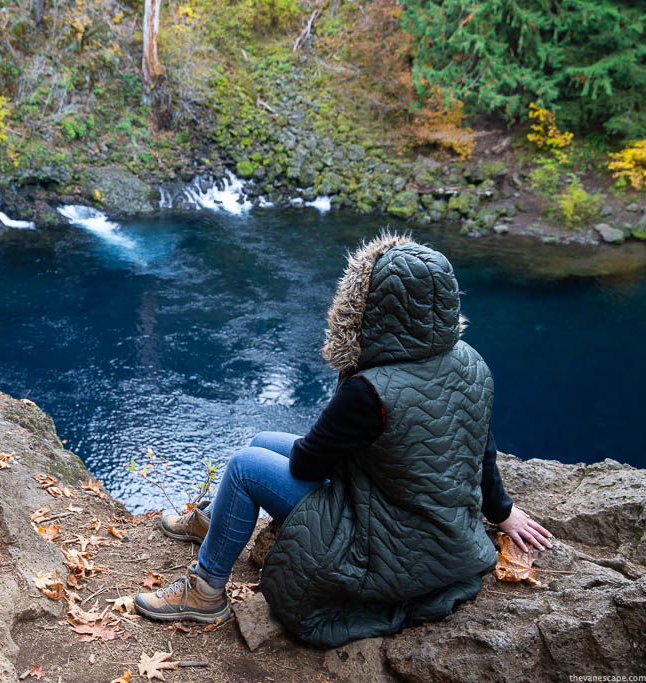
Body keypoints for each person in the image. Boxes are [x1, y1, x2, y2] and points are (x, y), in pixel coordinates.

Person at [134, 233, 552, 647]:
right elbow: (481, 447)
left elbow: (307, 466)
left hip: (380, 539)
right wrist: (502, 511)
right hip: (427, 524)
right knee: (263, 437)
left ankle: (205, 591)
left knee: (245, 466)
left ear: (374, 308)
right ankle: (217, 524)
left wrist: (347, 390)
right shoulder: (470, 361)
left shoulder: (369, 390)